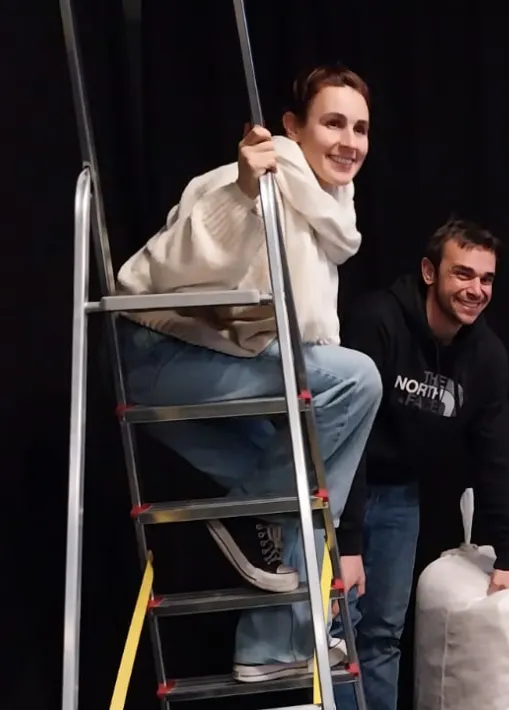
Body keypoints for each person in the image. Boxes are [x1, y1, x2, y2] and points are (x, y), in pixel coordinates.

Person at [113, 64, 383, 683]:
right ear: (293, 126)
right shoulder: (253, 177)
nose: (349, 141)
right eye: (333, 123)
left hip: (219, 365)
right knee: (357, 381)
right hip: (159, 356)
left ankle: (269, 650)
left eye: (361, 128)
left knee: (309, 487)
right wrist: (239, 192)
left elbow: (309, 339)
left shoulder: (326, 215)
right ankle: (242, 515)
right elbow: (173, 265)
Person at [333, 218, 509, 710]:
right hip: (339, 490)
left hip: (400, 495)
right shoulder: (377, 319)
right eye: (463, 274)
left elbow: (494, 457)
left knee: (383, 634)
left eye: (486, 279)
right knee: (336, 634)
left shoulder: (487, 356)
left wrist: (507, 554)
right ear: (428, 271)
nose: (476, 290)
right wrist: (348, 540)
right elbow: (351, 434)